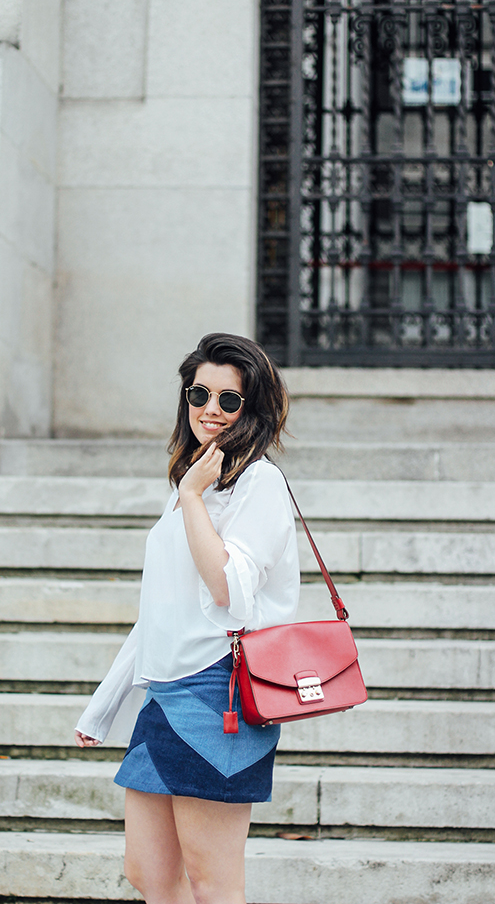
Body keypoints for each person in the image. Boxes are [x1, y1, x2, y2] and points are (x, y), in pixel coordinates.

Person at [75, 332, 301, 904]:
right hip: (164, 694)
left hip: (217, 693)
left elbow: (227, 588)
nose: (211, 410)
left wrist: (197, 497)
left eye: (230, 400)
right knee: (147, 872)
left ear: (254, 408)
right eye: (200, 394)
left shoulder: (259, 484)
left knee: (212, 881)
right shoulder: (189, 485)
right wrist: (105, 705)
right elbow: (158, 611)